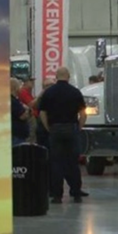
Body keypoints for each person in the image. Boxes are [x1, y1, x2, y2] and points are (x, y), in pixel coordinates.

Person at [39, 67, 87, 204]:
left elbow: (42, 112)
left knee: (56, 162)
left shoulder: (49, 92)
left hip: (55, 129)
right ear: (69, 76)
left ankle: (57, 195)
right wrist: (79, 127)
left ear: (56, 76)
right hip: (71, 129)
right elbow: (83, 113)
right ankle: (76, 192)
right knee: (72, 162)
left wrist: (48, 127)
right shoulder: (75, 92)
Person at [18, 76, 40, 142]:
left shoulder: (28, 92)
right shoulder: (23, 92)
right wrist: (39, 96)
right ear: (26, 82)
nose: (33, 83)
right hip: (29, 119)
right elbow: (30, 104)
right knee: (31, 138)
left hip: (33, 117)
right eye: (31, 81)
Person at [10, 77, 30, 146]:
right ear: (15, 87)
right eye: (19, 86)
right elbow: (22, 116)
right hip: (16, 135)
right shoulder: (13, 101)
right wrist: (27, 109)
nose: (21, 88)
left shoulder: (15, 100)